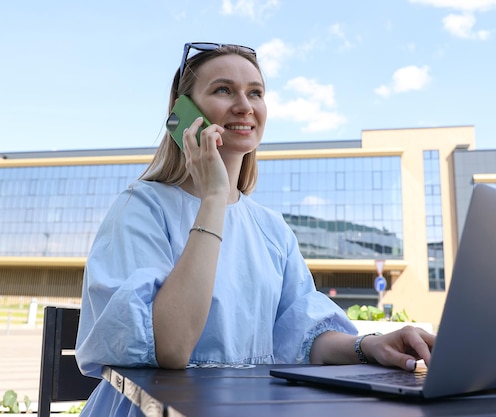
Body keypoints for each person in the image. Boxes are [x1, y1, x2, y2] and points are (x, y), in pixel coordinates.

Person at [75, 42, 435, 416]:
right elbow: (171, 347)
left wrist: (369, 345)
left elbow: (302, 332)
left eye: (256, 93)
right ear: (181, 113)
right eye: (223, 89)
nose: (245, 105)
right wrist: (214, 197)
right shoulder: (141, 207)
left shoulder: (271, 228)